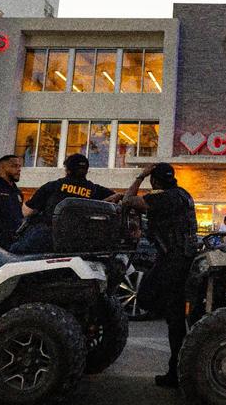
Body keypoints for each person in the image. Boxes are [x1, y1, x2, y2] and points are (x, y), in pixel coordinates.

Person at [120, 162, 197, 388]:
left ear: (155, 181)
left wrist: (140, 176)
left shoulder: (163, 198)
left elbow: (128, 201)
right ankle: (177, 370)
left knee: (146, 297)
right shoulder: (182, 194)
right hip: (182, 258)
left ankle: (178, 370)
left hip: (173, 260)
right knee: (175, 319)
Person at [11, 153, 116, 254]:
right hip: (82, 242)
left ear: (67, 170)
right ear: (86, 171)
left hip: (49, 239)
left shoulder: (52, 186)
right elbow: (118, 198)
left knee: (13, 250)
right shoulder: (96, 190)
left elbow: (26, 212)